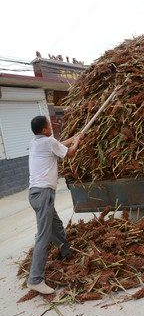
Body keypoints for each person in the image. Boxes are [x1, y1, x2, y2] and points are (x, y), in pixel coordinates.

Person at [27, 115, 84, 294]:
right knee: (43, 236)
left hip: (37, 193)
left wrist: (73, 138)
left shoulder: (37, 142)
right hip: (43, 194)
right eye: (49, 125)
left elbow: (58, 144)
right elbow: (70, 153)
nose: (51, 127)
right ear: (44, 130)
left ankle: (67, 252)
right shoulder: (48, 142)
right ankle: (35, 279)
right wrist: (78, 142)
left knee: (56, 225)